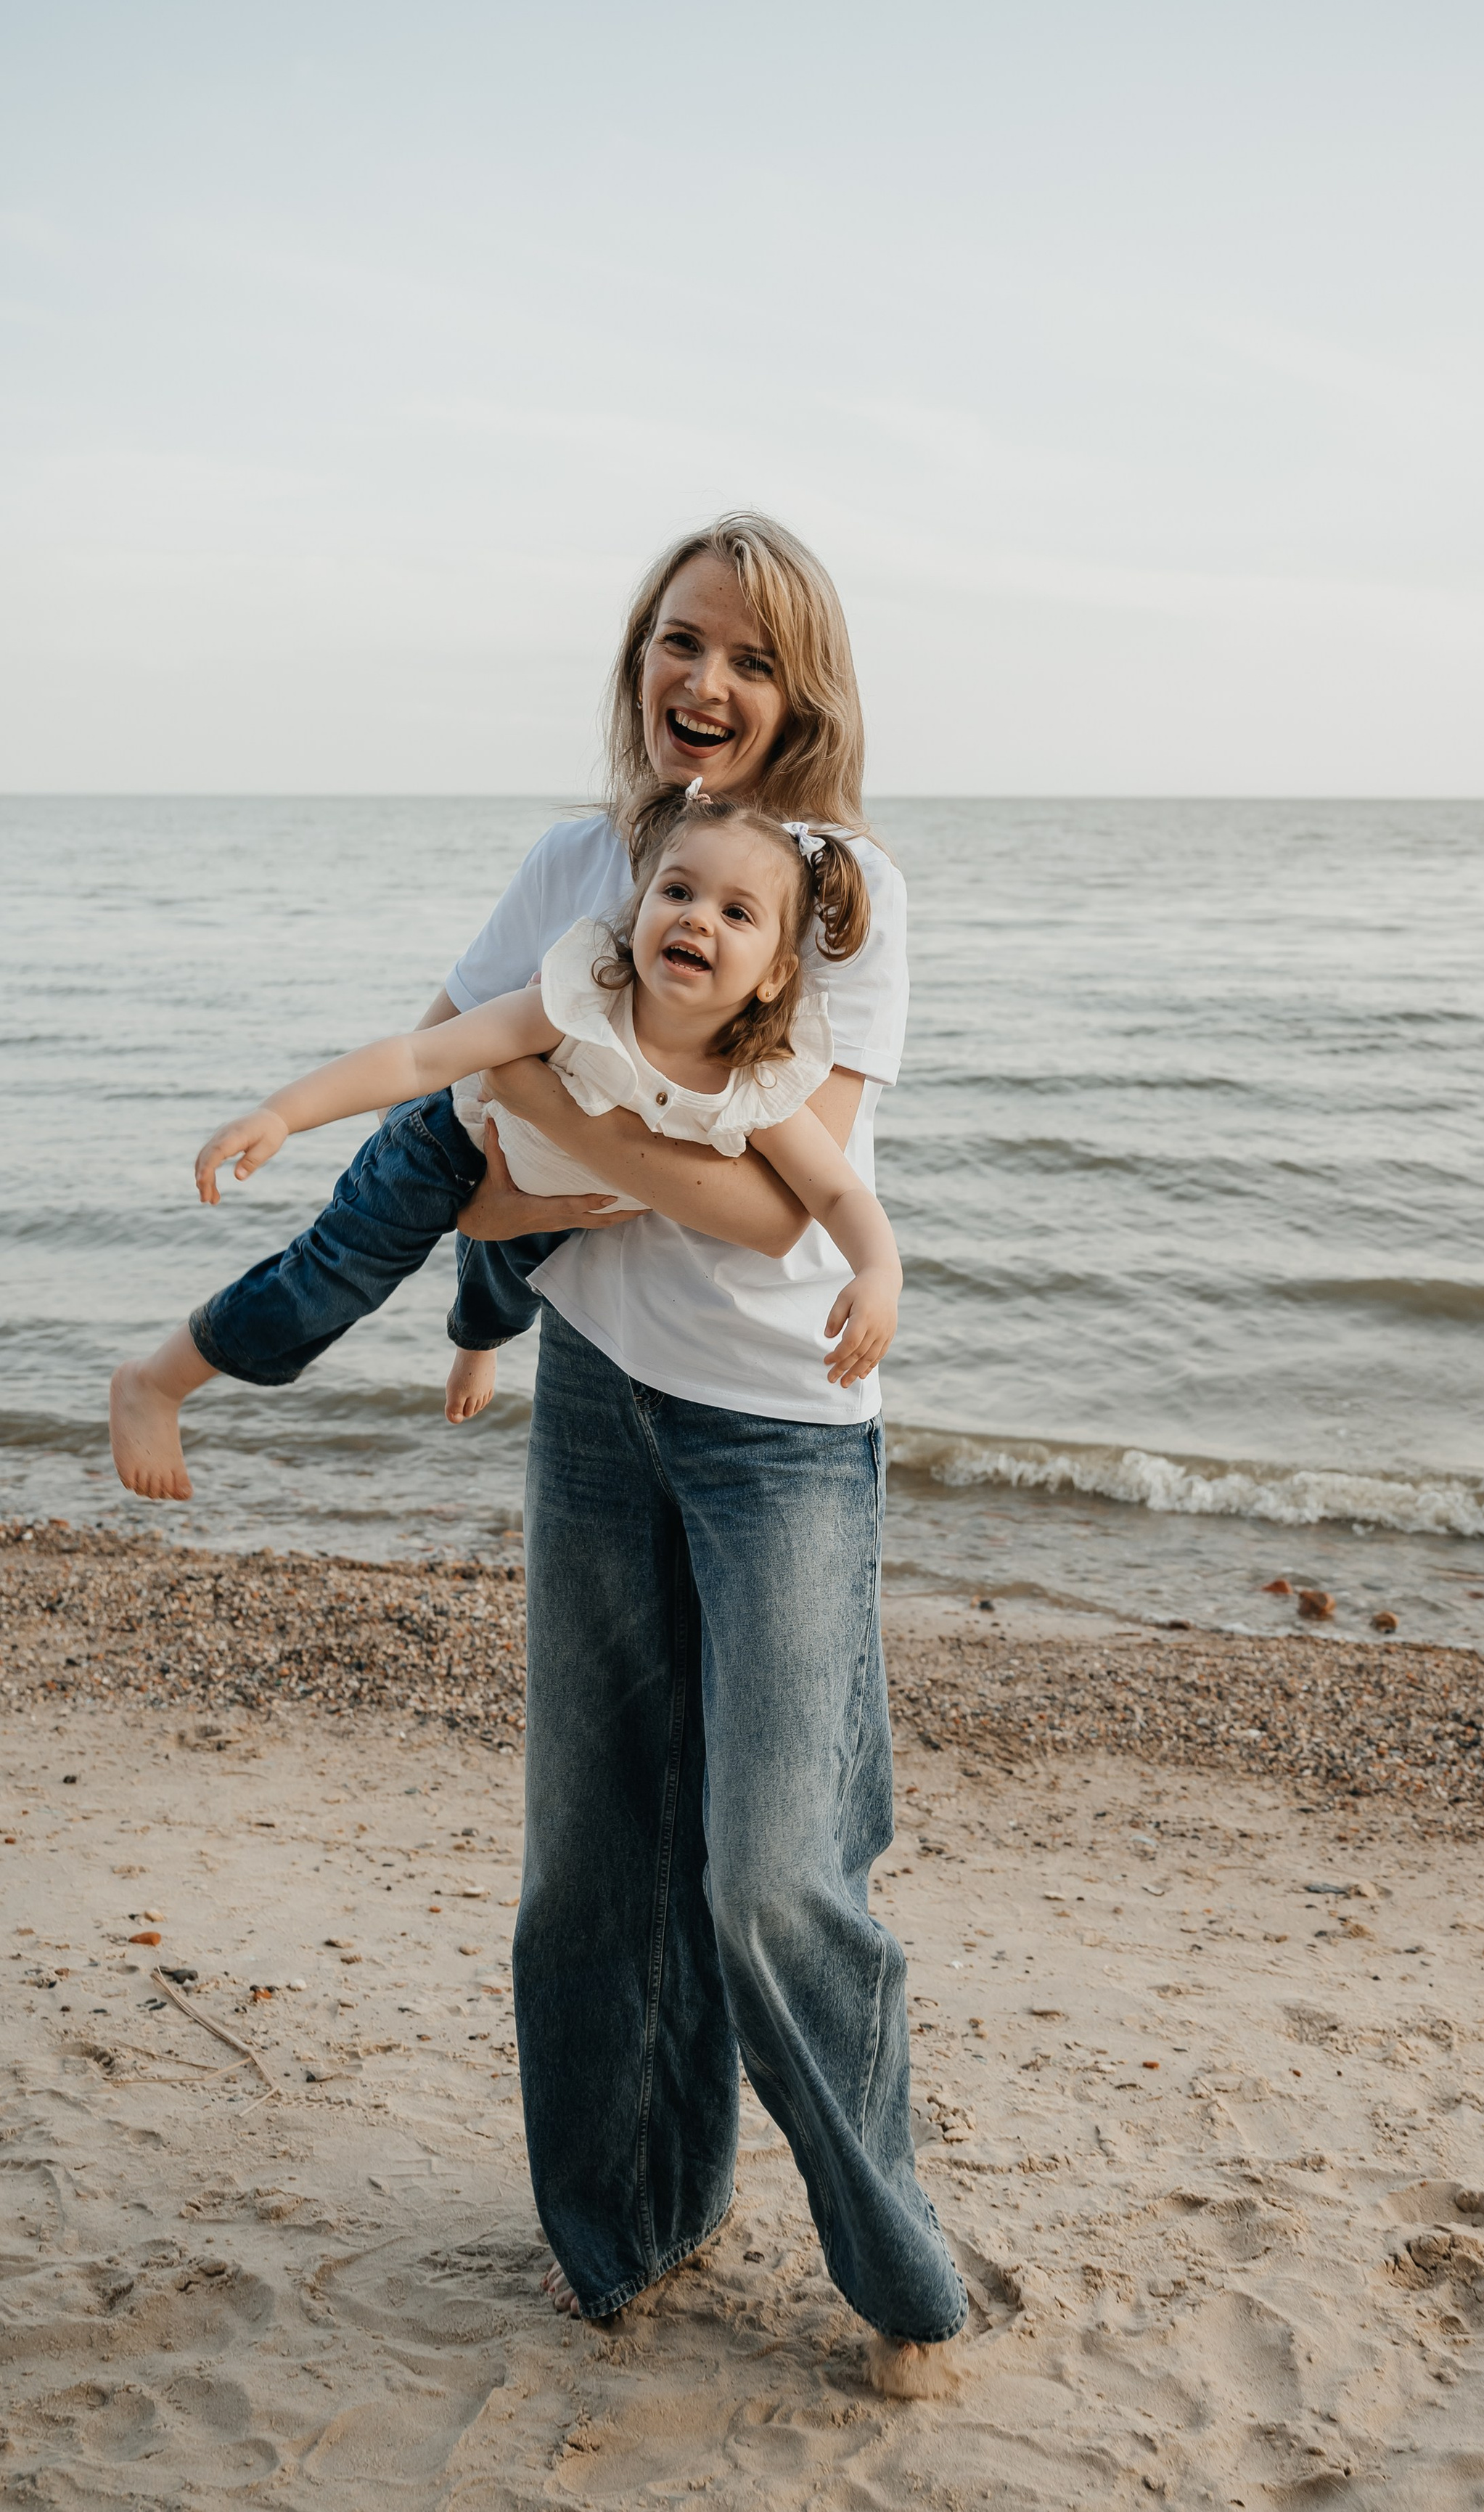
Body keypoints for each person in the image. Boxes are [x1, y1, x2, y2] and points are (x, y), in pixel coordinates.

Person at [147, 512, 967, 2386]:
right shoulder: (568, 867)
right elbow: (449, 1138)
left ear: (804, 692)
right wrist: (454, 1133)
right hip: (600, 1402)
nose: (708, 682)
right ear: (640, 655)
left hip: (784, 1436)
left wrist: (531, 1110)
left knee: (776, 1868)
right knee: (591, 1864)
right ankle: (625, 2231)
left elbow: (776, 1211)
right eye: (682, 640)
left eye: (752, 659)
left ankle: (900, 2268)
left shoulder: (839, 893)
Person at [116, 787, 901, 1462]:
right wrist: (282, 1113)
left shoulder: (753, 1087)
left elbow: (834, 1194)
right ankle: (161, 1378)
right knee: (333, 1284)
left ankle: (474, 1346)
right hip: (442, 1148)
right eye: (678, 891)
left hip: (557, 1196)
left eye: (736, 911)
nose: (698, 918)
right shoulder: (577, 1001)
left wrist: (878, 1273)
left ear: (773, 977)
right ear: (635, 912)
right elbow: (420, 1061)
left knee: (510, 1284)